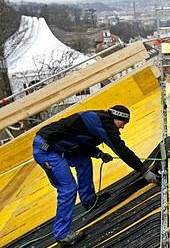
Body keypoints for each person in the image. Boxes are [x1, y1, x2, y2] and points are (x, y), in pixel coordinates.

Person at [32, 105, 158, 245]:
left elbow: (79, 140)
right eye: (123, 123)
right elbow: (120, 149)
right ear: (117, 118)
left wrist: (98, 153)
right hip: (47, 151)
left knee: (84, 162)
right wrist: (144, 171)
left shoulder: (98, 119)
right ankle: (62, 234)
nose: (122, 127)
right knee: (68, 188)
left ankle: (89, 200)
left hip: (59, 147)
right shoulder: (104, 123)